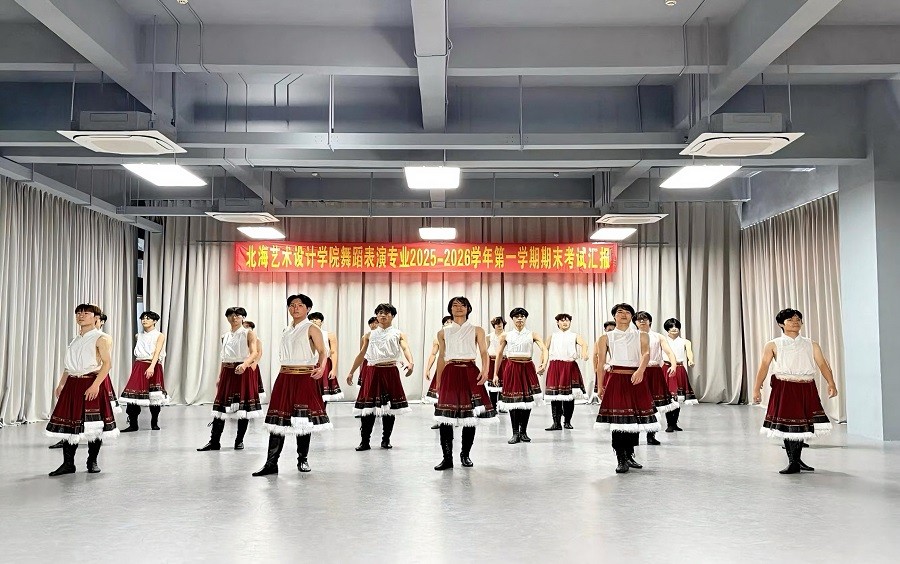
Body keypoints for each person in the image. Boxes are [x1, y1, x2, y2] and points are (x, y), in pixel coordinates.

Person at [253, 294, 332, 476]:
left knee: (302, 420)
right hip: (285, 376)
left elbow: (323, 351)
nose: (295, 308)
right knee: (277, 420)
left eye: (300, 305)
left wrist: (321, 368)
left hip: (304, 377)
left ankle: (302, 459)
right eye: (292, 305)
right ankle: (271, 463)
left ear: (308, 309)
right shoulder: (287, 330)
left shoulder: (312, 328)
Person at [752, 308, 837, 474]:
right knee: (788, 424)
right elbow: (764, 366)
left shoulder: (811, 344)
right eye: (790, 320)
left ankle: (796, 461)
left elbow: (822, 364)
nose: (795, 322)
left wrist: (831, 383)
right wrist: (757, 389)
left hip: (806, 386)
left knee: (802, 423)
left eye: (798, 319)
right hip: (784, 387)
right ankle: (793, 462)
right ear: (781, 324)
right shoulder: (773, 344)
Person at [46, 304, 118, 476]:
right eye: (78, 313)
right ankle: (68, 464)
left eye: (86, 313)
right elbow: (68, 366)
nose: (81, 315)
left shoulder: (101, 338)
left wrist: (95, 385)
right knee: (69, 423)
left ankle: (92, 461)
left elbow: (107, 364)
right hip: (72, 383)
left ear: (95, 317)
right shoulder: (75, 340)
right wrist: (61, 384)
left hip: (91, 382)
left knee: (94, 425)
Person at [594, 303, 660, 474]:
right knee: (618, 420)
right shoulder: (605, 337)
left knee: (633, 419)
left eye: (628, 312)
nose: (623, 315)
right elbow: (601, 364)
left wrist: (641, 371)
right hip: (616, 379)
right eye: (620, 312)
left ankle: (630, 454)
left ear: (632, 316)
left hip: (636, 378)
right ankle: (620, 458)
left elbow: (646, 354)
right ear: (614, 316)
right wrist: (600, 386)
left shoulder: (642, 335)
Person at [433, 297, 493, 470]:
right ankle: (447, 458)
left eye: (462, 305)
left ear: (468, 308)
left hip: (470, 371)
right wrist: (438, 381)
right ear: (450, 309)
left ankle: (465, 455)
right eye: (455, 305)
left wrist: (485, 371)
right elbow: (441, 357)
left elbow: (484, 352)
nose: (458, 308)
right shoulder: (443, 332)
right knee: (445, 417)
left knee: (470, 416)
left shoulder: (477, 330)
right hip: (450, 372)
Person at [347, 304, 414, 450]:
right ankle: (365, 441)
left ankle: (386, 439)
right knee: (368, 408)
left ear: (393, 316)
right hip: (373, 372)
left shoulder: (398, 334)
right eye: (380, 313)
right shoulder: (369, 335)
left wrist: (411, 362)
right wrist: (351, 371)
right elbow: (361, 354)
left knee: (389, 409)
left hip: (390, 372)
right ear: (377, 316)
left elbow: (405, 348)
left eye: (387, 313)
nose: (383, 315)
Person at [197, 307, 261, 452]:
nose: (234, 317)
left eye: (238, 315)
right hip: (227, 371)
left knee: (242, 408)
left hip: (242, 371)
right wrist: (220, 376)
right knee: (220, 407)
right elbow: (224, 357)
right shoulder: (225, 336)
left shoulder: (248, 333)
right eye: (231, 315)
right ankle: (214, 441)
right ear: (227, 318)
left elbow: (254, 352)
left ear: (243, 317)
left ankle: (239, 441)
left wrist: (244, 364)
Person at [493, 307, 548, 445]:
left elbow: (544, 349)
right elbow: (499, 354)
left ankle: (523, 432)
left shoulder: (532, 334)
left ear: (525, 318)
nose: (519, 318)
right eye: (517, 316)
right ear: (512, 319)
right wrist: (495, 374)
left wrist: (543, 363)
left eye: (522, 316)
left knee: (527, 401)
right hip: (512, 368)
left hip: (527, 367)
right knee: (513, 402)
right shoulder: (506, 335)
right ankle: (515, 433)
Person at [633, 311, 679, 445]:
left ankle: (651, 435)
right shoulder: (631, 336)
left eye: (645, 319)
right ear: (635, 322)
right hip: (636, 371)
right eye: (639, 319)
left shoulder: (658, 337)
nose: (642, 321)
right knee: (635, 404)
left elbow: (669, 352)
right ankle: (634, 436)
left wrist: (674, 365)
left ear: (650, 321)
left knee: (655, 405)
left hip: (654, 372)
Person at [119, 311, 169, 432]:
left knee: (154, 395)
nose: (144, 320)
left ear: (155, 321)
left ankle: (154, 422)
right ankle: (133, 424)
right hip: (139, 365)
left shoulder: (159, 335)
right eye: (143, 318)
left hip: (153, 365)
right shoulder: (138, 336)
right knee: (133, 395)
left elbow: (157, 352)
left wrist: (152, 367)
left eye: (148, 318)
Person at [544, 313, 589, 431]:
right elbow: (545, 350)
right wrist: (542, 364)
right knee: (555, 396)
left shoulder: (574, 335)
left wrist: (584, 353)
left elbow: (584, 344)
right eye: (562, 320)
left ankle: (567, 421)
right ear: (557, 322)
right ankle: (556, 423)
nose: (565, 322)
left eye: (567, 320)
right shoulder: (552, 336)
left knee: (569, 396)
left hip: (569, 366)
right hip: (555, 366)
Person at [663, 318, 698, 432]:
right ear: (667, 329)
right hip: (666, 369)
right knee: (669, 398)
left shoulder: (685, 341)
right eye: (671, 327)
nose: (674, 329)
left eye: (676, 326)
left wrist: (691, 360)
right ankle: (669, 424)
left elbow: (689, 352)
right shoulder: (663, 340)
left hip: (679, 369)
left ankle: (674, 423)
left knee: (678, 398)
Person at [307, 312, 343, 405]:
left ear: (322, 321)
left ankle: (322, 411)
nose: (314, 321)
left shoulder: (329, 335)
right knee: (309, 391)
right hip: (309, 364)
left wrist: (334, 369)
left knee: (323, 393)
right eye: (312, 319)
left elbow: (333, 352)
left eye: (317, 319)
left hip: (325, 363)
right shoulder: (306, 335)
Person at [424, 316, 454, 404]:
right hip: (443, 365)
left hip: (455, 365)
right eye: (447, 322)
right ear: (443, 325)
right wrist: (428, 369)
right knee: (440, 387)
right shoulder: (437, 339)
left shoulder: (458, 337)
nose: (449, 323)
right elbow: (433, 354)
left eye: (451, 322)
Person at [589, 321, 617, 404]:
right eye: (609, 330)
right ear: (605, 330)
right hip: (604, 368)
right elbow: (595, 356)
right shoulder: (601, 340)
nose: (611, 332)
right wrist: (595, 369)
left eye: (613, 330)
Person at [485, 316, 507, 410]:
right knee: (492, 384)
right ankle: (493, 406)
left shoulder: (507, 335)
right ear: (493, 325)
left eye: (501, 323)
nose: (499, 325)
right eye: (497, 323)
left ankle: (502, 406)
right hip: (492, 361)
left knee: (504, 383)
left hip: (504, 361)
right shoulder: (489, 336)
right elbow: (485, 351)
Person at [243, 321, 266, 403]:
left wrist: (255, 363)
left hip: (251, 364)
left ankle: (251, 402)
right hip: (243, 363)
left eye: (244, 325)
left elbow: (259, 352)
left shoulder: (255, 338)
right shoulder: (243, 337)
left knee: (250, 384)